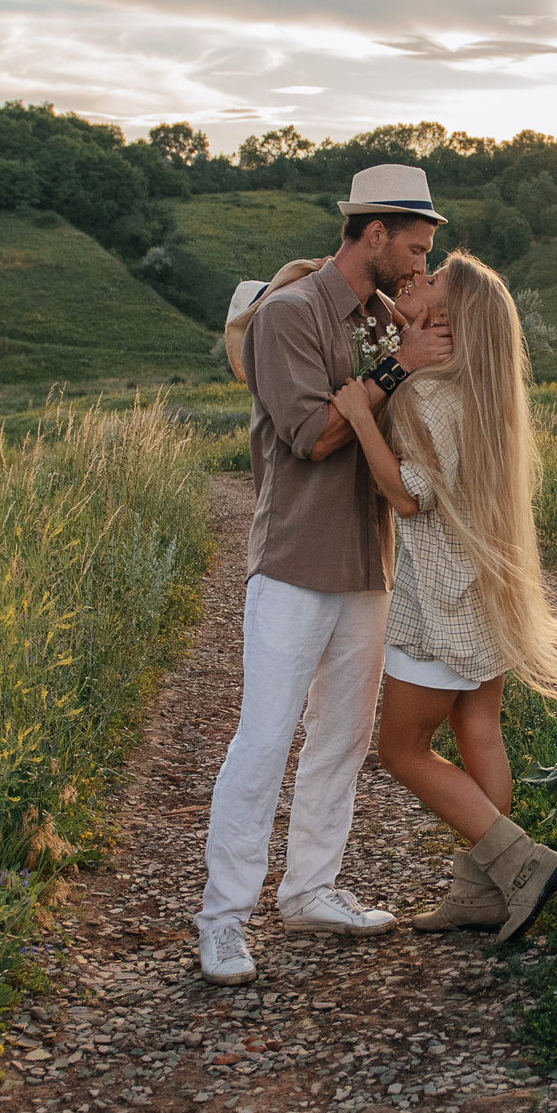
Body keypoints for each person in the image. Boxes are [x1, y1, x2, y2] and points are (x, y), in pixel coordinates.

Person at [197, 163, 454, 987]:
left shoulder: (385, 317)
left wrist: (409, 354)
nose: (418, 266)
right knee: (264, 739)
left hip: (367, 560)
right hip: (295, 562)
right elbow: (312, 436)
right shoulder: (288, 316)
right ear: (372, 234)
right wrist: (396, 370)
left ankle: (310, 888)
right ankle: (223, 920)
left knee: (340, 738)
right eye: (412, 248)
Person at [330, 252, 557, 943]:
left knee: (402, 749)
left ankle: (522, 866)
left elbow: (406, 496)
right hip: (487, 590)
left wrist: (360, 411)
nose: (418, 280)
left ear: (450, 318)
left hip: (440, 601)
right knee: (479, 731)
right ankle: (479, 892)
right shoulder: (481, 389)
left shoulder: (425, 394)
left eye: (435, 280)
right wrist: (401, 326)